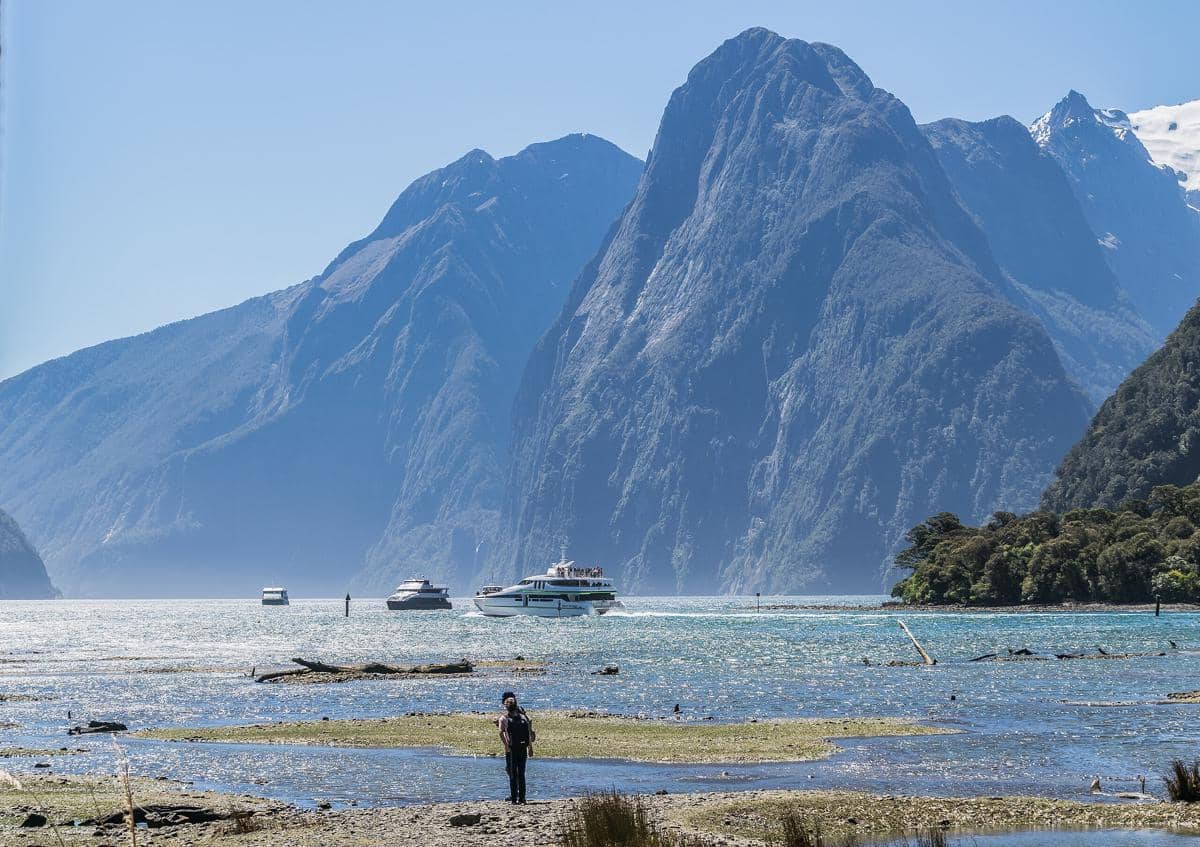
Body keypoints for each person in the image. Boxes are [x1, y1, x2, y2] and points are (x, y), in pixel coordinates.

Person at [498, 691, 534, 804]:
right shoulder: (523, 717)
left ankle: (514, 799)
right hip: (523, 747)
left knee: (512, 774)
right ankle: (522, 798)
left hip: (511, 750)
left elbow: (500, 733)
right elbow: (529, 733)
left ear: (505, 706)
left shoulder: (504, 718)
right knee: (522, 774)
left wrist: (506, 745)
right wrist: (530, 747)